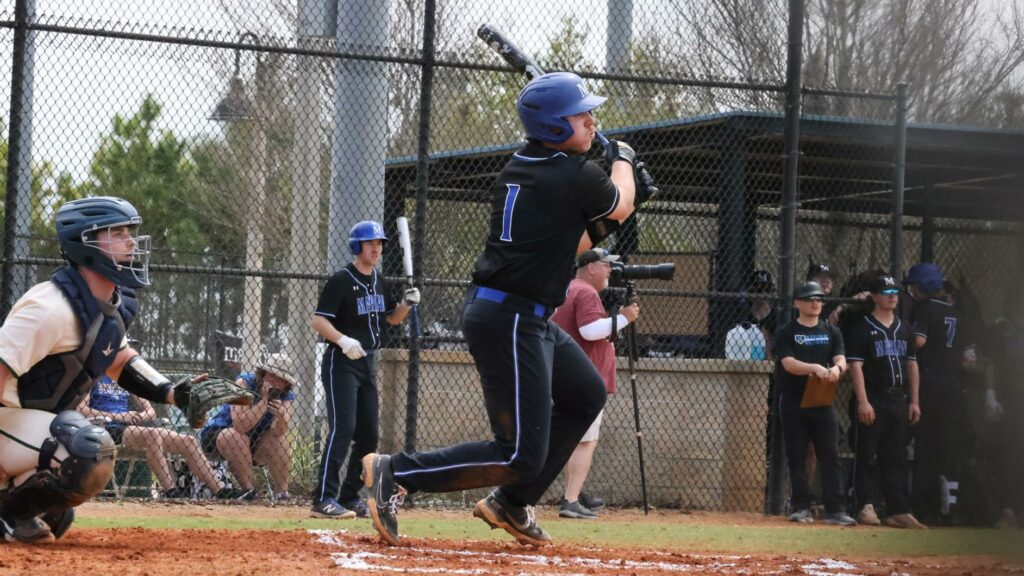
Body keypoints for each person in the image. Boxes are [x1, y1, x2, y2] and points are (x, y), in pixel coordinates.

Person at [361, 71, 646, 547]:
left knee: (585, 394)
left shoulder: (525, 167)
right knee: (517, 453)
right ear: (554, 127)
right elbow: (618, 204)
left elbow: (568, 244)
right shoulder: (575, 174)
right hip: (511, 318)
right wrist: (625, 161)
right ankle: (395, 472)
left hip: (523, 316)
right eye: (582, 116)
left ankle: (510, 503)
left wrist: (620, 197)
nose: (593, 122)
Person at [0, 196, 249, 544]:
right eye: (116, 233)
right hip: (6, 422)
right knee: (87, 450)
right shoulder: (48, 307)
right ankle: (9, 511)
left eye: (129, 231)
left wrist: (173, 393)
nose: (131, 241)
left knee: (61, 504)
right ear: (85, 245)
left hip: (27, 428)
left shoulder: (110, 304)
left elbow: (118, 360)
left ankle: (13, 500)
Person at [309, 220, 420, 519]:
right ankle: (323, 498)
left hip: (367, 362)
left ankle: (347, 496)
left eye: (380, 243)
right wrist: (343, 340)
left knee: (369, 435)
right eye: (371, 243)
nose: (377, 248)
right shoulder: (341, 280)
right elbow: (319, 321)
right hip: (341, 362)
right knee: (343, 429)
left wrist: (406, 306)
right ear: (357, 246)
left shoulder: (378, 281)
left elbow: (391, 320)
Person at [550, 248, 639, 519]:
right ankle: (571, 499)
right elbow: (590, 331)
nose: (610, 271)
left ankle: (573, 492)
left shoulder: (570, 288)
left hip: (567, 374)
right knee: (585, 441)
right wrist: (625, 318)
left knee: (575, 438)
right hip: (583, 378)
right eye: (606, 265)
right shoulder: (586, 292)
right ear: (590, 268)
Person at [78, 375, 242, 500]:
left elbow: (150, 411)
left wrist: (138, 416)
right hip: (104, 428)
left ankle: (221, 490)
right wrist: (120, 416)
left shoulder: (124, 377)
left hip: (131, 428)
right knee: (153, 434)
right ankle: (171, 492)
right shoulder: (95, 374)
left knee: (189, 441)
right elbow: (82, 409)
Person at [845, 274, 925, 529]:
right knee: (867, 453)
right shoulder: (863, 326)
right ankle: (864, 505)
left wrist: (914, 401)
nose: (892, 296)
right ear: (875, 297)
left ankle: (898, 509)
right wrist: (863, 402)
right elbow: (855, 366)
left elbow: (912, 365)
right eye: (886, 292)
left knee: (896, 456)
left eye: (895, 292)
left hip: (898, 398)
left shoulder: (904, 328)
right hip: (873, 395)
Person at [773, 281, 856, 526]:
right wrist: (815, 368)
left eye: (819, 299)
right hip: (794, 400)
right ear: (797, 303)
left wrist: (837, 369)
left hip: (822, 400)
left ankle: (836, 509)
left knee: (829, 454)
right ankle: (801, 506)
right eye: (809, 299)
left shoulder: (831, 331)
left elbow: (841, 359)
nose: (815, 303)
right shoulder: (786, 332)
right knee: (797, 455)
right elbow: (788, 363)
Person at [902, 263, 976, 524]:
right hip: (955, 386)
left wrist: (898, 339)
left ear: (925, 286)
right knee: (951, 447)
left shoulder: (924, 308)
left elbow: (919, 341)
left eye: (914, 285)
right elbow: (970, 358)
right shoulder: (958, 312)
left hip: (929, 383)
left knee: (926, 447)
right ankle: (953, 510)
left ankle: (925, 509)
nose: (912, 289)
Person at [200, 353, 298, 501]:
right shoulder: (244, 383)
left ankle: (282, 493)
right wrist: (264, 401)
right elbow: (240, 426)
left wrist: (281, 416)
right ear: (263, 374)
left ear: (286, 383)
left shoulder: (286, 396)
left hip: (255, 440)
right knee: (236, 437)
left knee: (280, 441)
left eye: (281, 379)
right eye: (272, 375)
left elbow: (279, 433)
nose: (275, 382)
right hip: (222, 434)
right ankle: (249, 491)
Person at [725, 270, 775, 360]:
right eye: (759, 290)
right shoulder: (740, 316)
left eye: (766, 289)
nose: (763, 294)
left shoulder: (778, 315)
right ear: (750, 291)